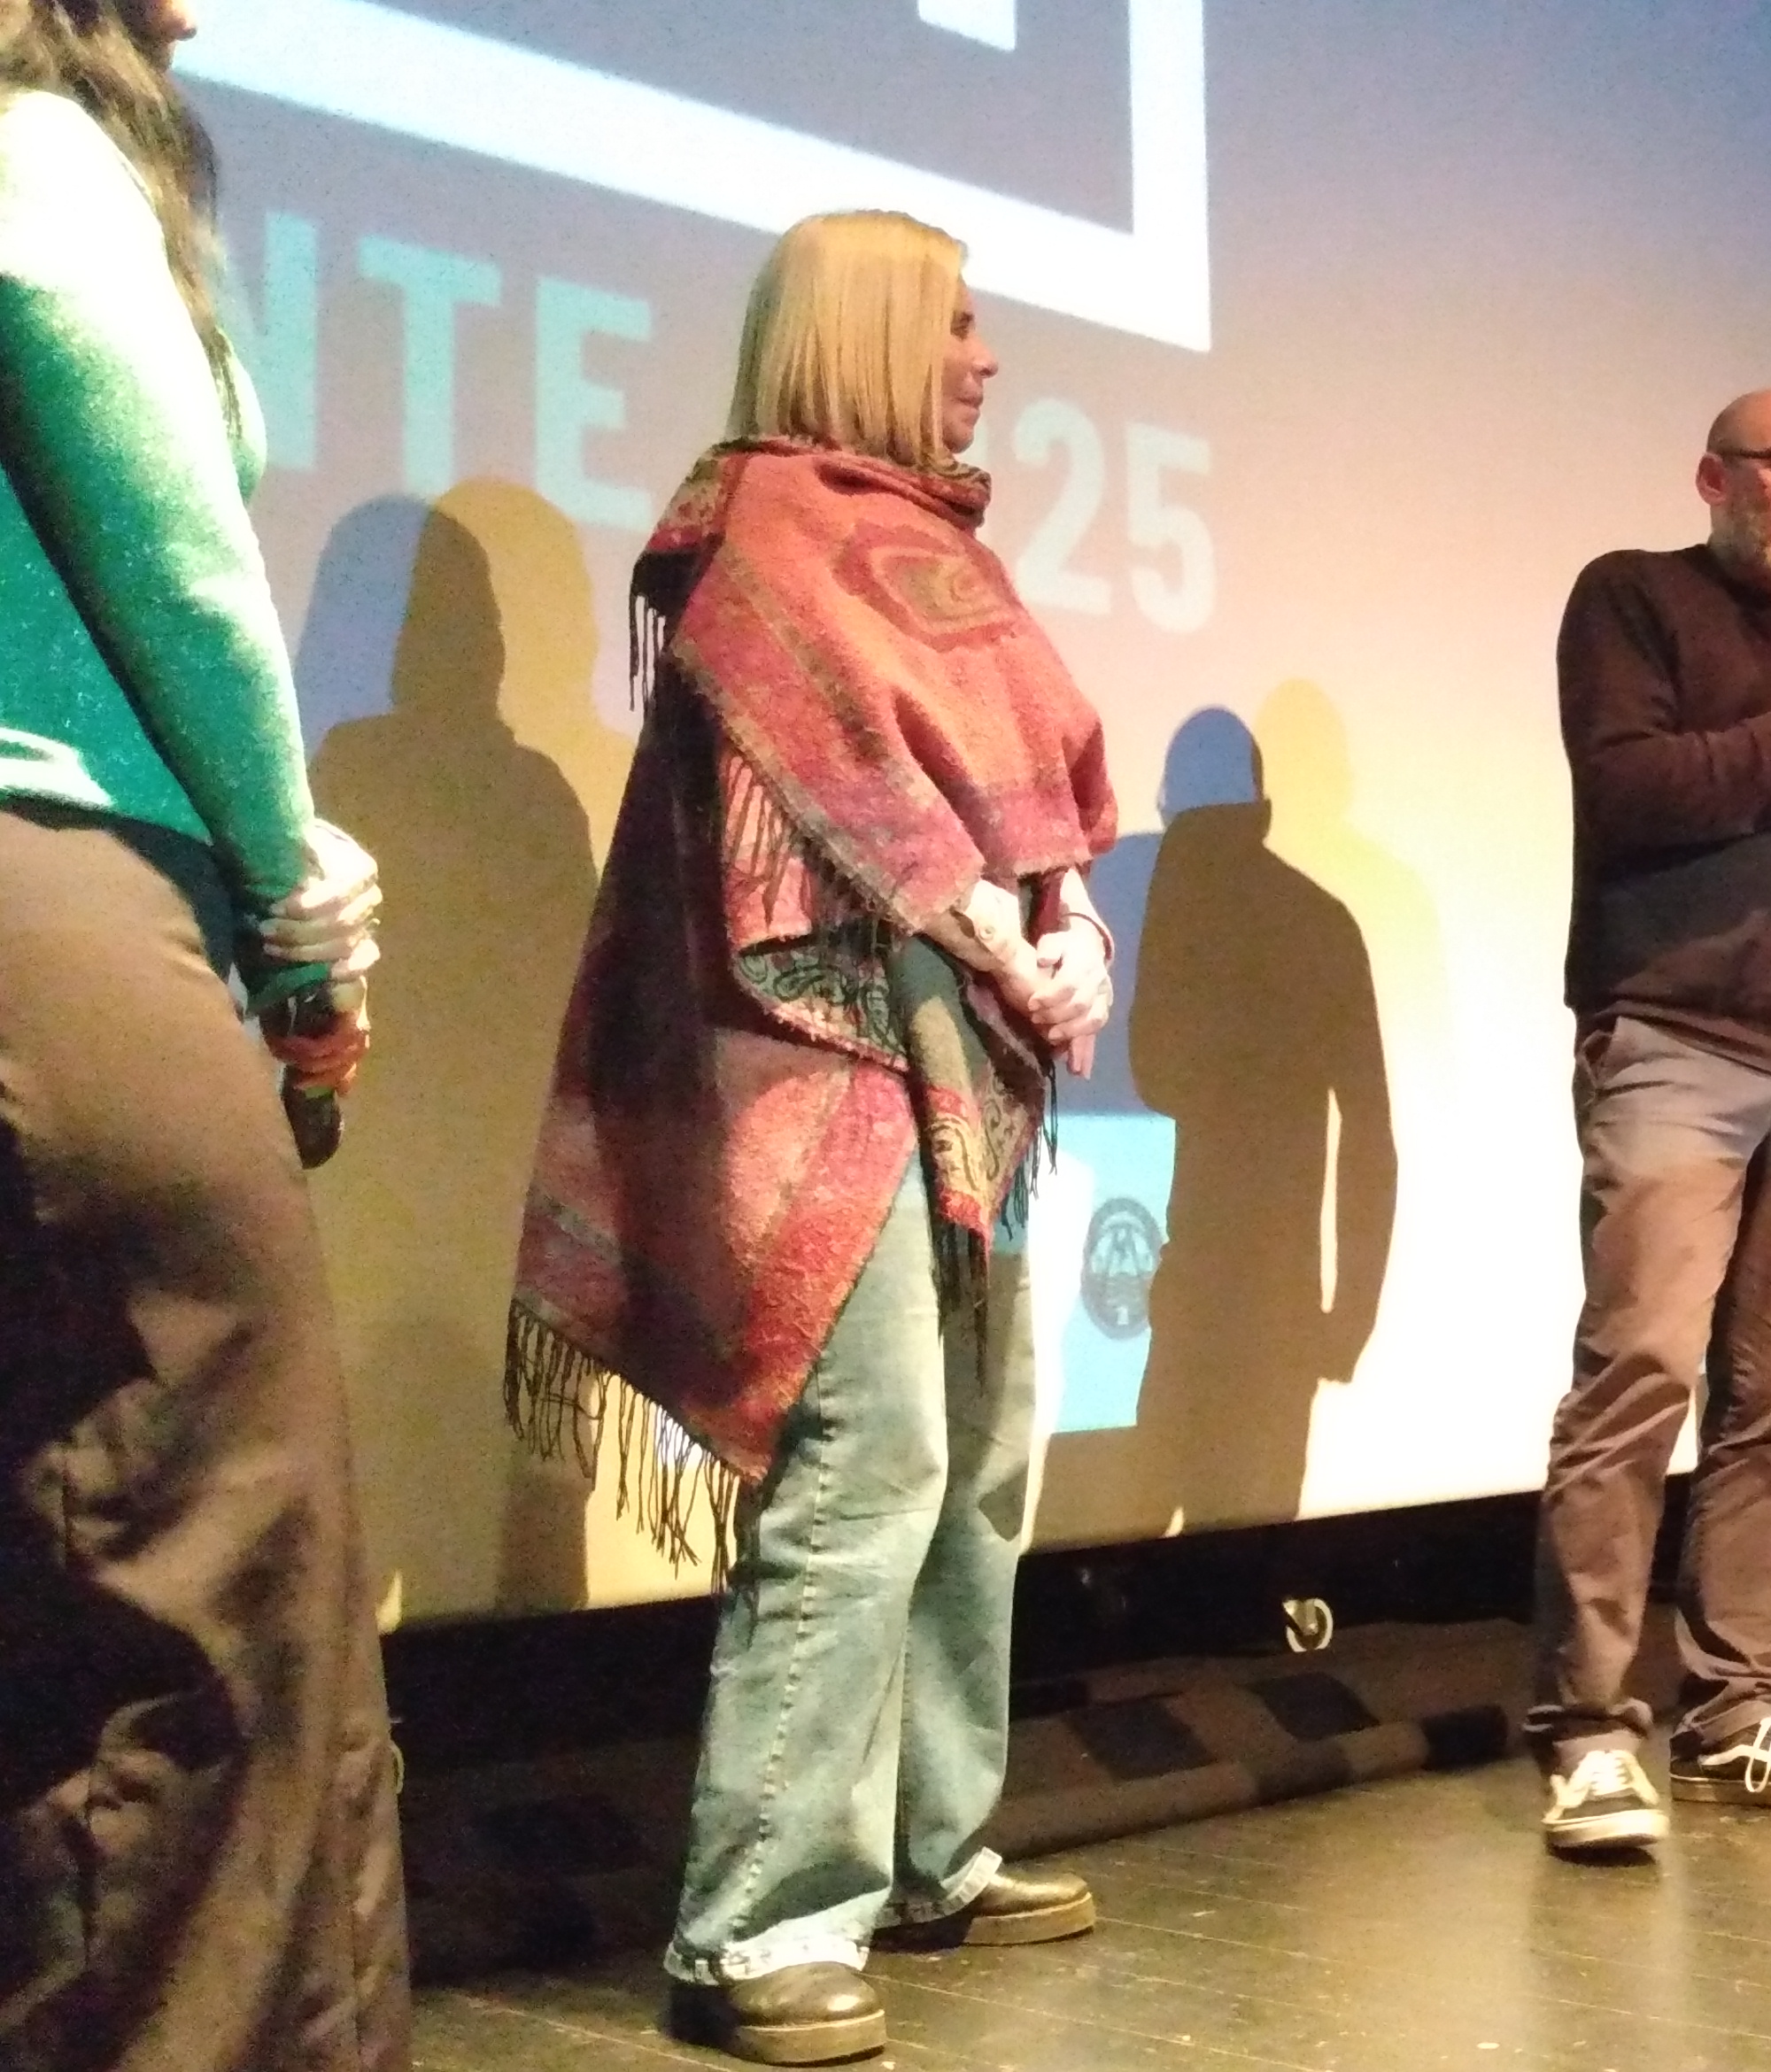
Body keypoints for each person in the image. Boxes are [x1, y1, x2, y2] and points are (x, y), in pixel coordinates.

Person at [503, 210, 1118, 2065]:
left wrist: (1074, 926)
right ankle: (757, 1922)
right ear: (864, 332)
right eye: (955, 323)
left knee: (980, 1459)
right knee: (867, 1466)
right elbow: (832, 794)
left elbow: (1034, 791)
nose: (986, 357)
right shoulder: (760, 524)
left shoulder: (945, 546)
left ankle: (931, 1853)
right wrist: (991, 929)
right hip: (821, 1054)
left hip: (970, 1052)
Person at [0, 3, 407, 2066]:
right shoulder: (36, 150)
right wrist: (296, 899)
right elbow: (180, 568)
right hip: (63, 910)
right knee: (216, 1616)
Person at [1531, 388, 1771, 1855]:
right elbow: (1630, 791)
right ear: (1715, 476)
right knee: (1639, 1374)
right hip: (1678, 1040)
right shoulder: (1632, 599)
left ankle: (1737, 1709)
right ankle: (1585, 1729)